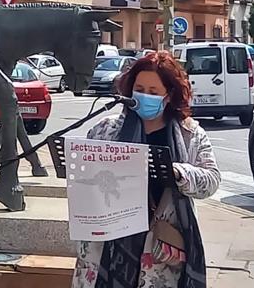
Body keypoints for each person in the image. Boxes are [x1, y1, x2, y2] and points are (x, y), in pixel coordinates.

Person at [73, 52, 220, 288]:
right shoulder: (106, 130)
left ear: (169, 96)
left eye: (153, 92)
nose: (144, 97)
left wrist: (179, 173)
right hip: (107, 243)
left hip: (159, 249)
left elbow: (211, 180)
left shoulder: (190, 134)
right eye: (139, 89)